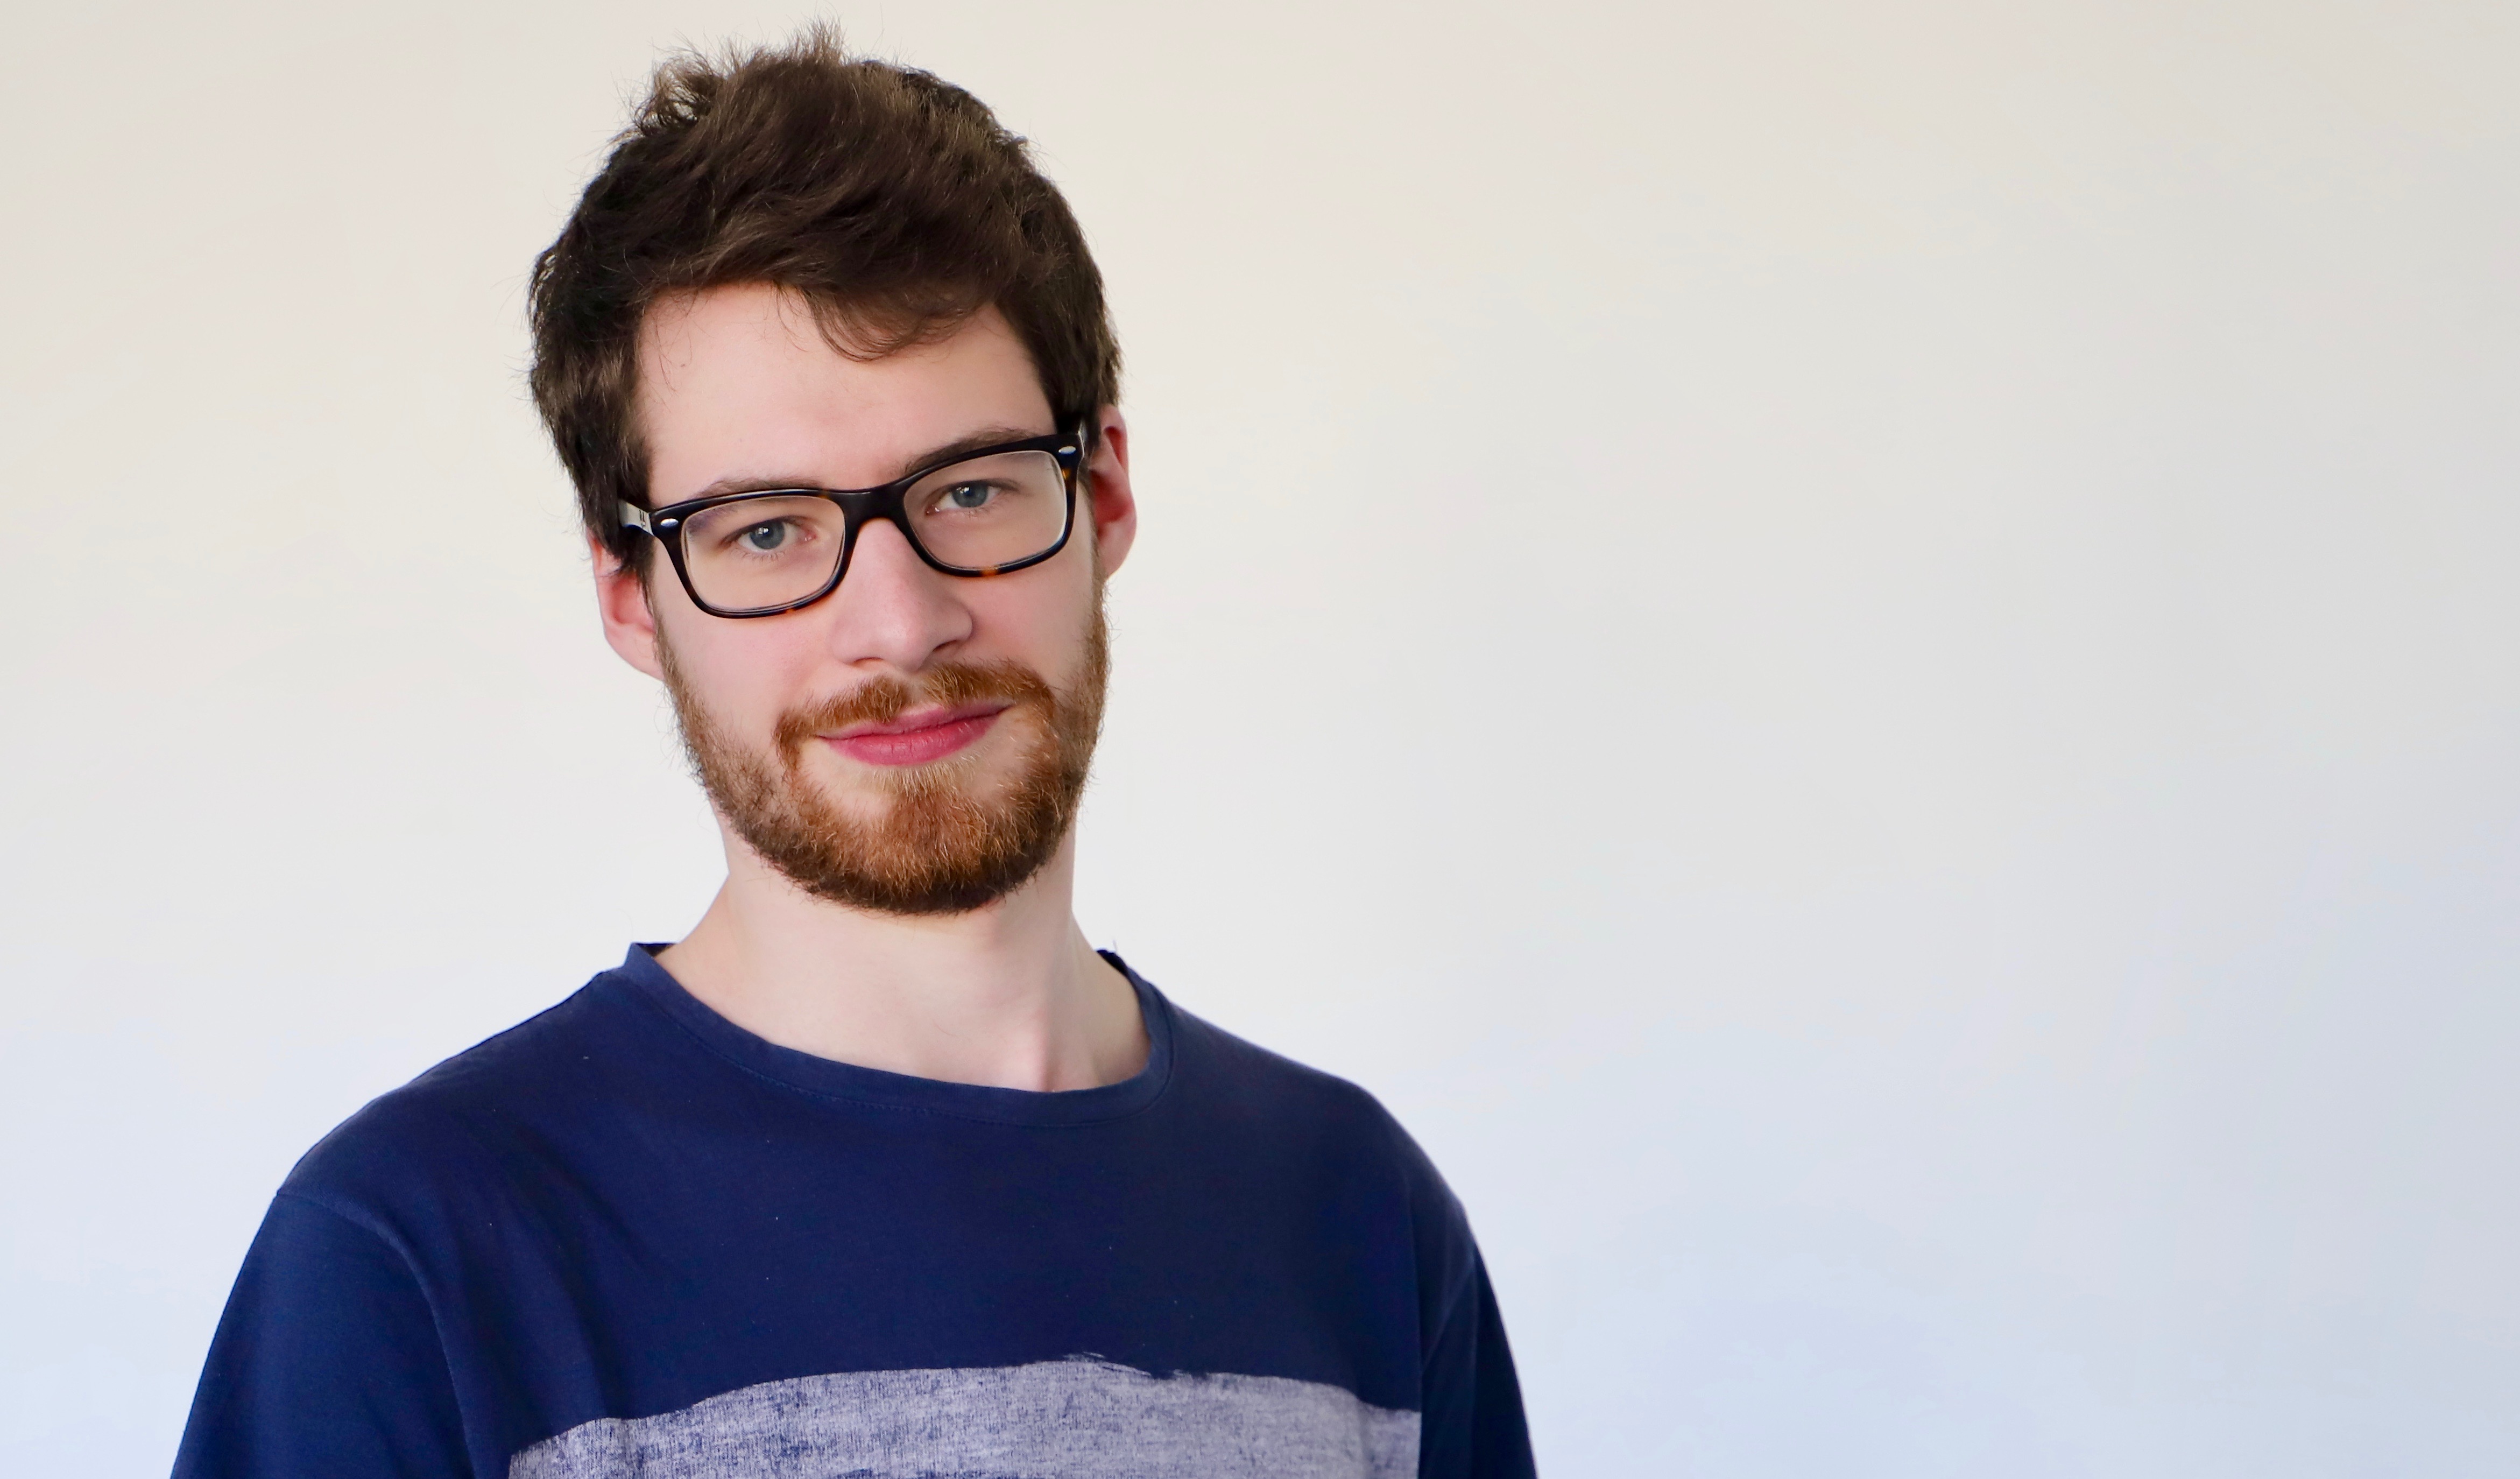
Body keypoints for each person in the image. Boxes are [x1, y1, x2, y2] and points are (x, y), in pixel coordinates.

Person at [170, 27, 1534, 1479]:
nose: (900, 622)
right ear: (630, 596)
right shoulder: (414, 1260)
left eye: (971, 491)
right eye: (765, 529)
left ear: (1104, 495)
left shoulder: (1360, 1217)